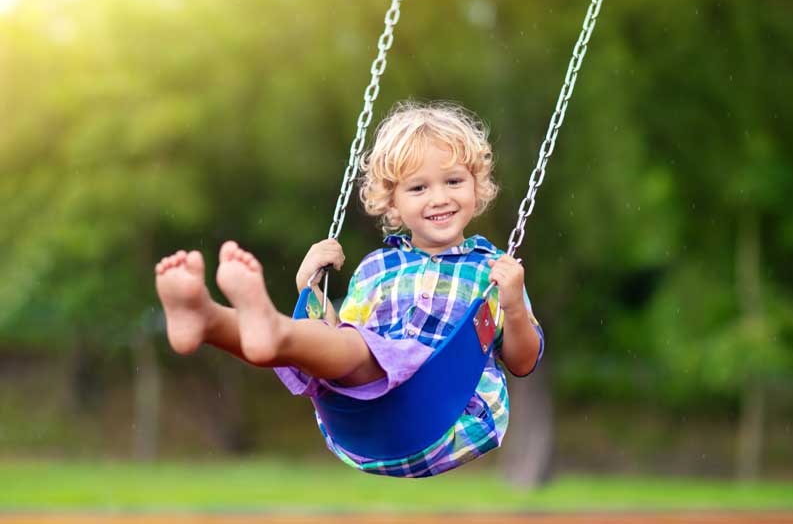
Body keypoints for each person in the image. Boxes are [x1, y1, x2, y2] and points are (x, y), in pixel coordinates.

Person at [155, 101, 544, 477]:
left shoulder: (494, 271)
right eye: (419, 188)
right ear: (392, 204)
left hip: (451, 414)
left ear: (478, 187)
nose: (439, 198)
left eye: (454, 181)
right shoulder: (377, 268)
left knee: (359, 350)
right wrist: (309, 290)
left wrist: (512, 307)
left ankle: (265, 330)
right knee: (342, 343)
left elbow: (523, 361)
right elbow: (342, 343)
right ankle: (209, 320)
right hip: (365, 418)